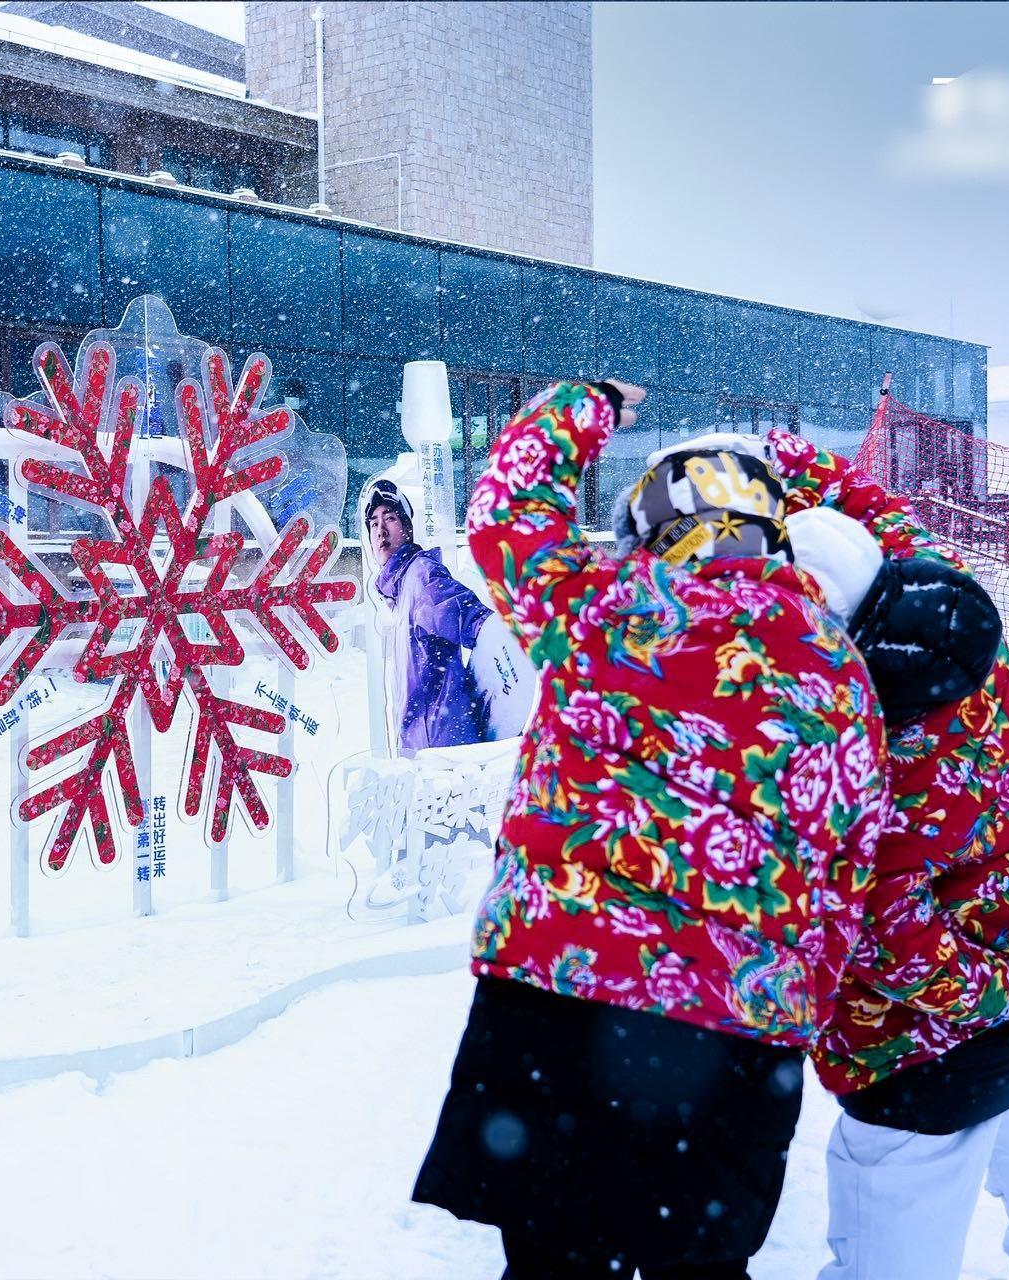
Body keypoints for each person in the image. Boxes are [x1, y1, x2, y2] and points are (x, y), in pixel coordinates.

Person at [412, 384, 890, 1279]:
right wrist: (798, 1007)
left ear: (650, 528)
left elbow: (505, 510)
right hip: (737, 1038)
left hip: (556, 1005)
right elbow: (846, 874)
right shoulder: (837, 675)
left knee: (551, 1263)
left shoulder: (599, 612)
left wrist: (583, 406)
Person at [766, 430, 1009, 1280]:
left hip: (924, 1064)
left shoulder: (847, 767)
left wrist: (1005, 993)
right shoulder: (944, 601)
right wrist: (771, 450)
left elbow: (889, 942)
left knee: (889, 1262)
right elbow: (869, 504)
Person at [364, 477, 495, 752]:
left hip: (445, 754)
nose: (380, 531)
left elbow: (467, 615)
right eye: (374, 524)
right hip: (424, 754)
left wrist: (506, 640)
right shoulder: (399, 594)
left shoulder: (420, 575)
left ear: (408, 529)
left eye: (390, 519)